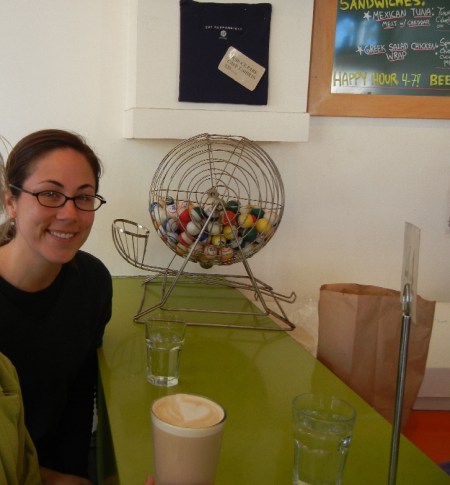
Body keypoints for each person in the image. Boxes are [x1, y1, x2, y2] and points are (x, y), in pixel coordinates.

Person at [0, 129, 113, 484]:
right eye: (50, 194)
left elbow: (79, 394)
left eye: (84, 197)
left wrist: (74, 476)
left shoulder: (93, 282)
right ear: (11, 202)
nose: (70, 213)